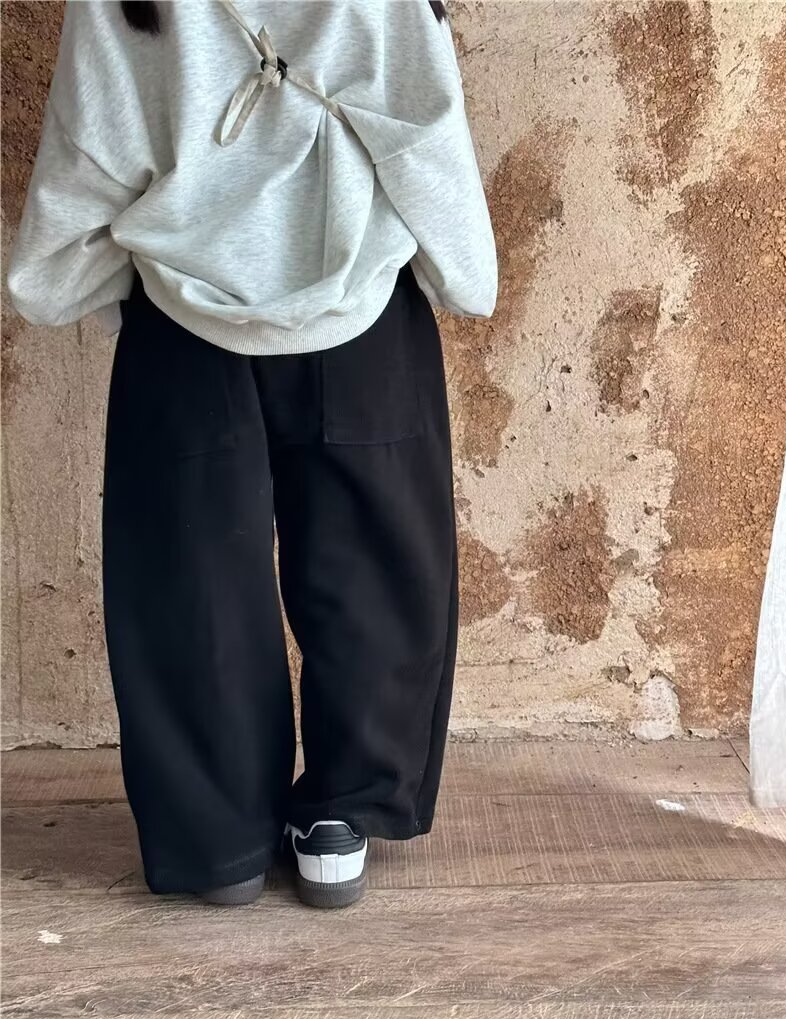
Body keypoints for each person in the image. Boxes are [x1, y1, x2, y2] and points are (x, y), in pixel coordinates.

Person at [7, 0, 497, 909]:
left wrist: (87, 284)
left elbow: (92, 148)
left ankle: (218, 839)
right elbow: (423, 127)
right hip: (359, 302)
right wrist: (465, 271)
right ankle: (345, 814)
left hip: (183, 316)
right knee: (378, 566)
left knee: (187, 578)